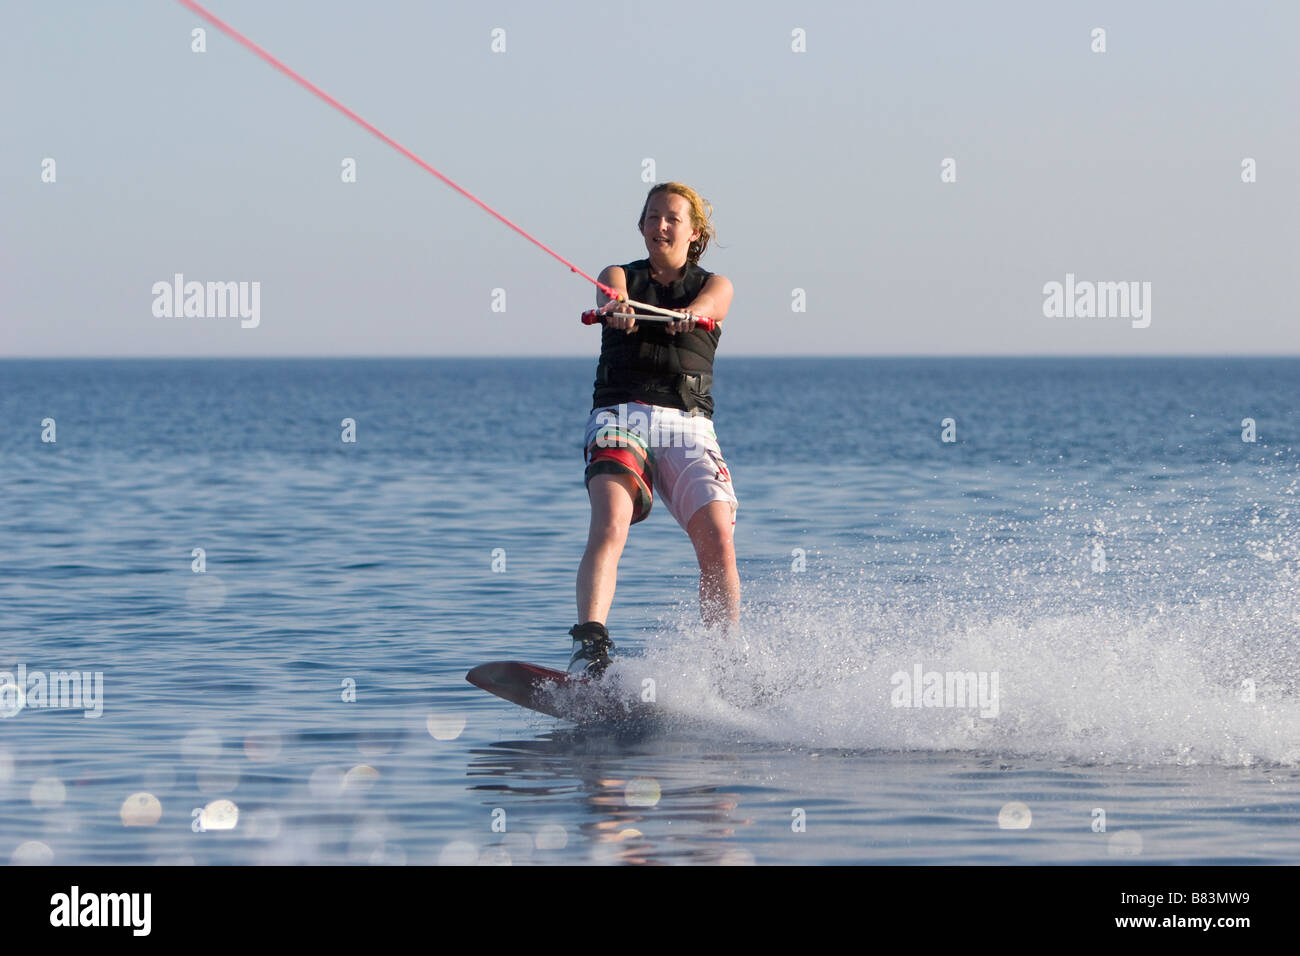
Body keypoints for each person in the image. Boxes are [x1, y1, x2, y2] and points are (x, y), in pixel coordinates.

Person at [569, 182, 739, 676]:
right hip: (619, 415)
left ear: (694, 232)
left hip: (686, 424)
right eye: (651, 217)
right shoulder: (617, 274)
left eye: (671, 218)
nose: (659, 226)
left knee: (719, 538)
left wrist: (693, 316)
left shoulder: (716, 284)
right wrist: (617, 306)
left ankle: (725, 664)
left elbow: (713, 306)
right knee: (610, 520)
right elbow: (612, 291)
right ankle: (592, 648)